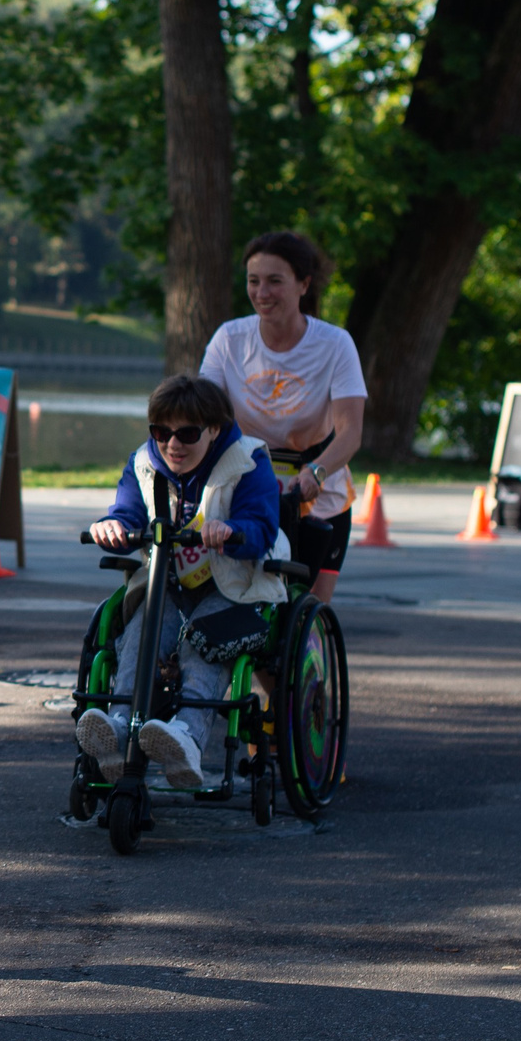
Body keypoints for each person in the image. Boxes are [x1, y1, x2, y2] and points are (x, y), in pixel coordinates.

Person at [78, 376, 287, 791]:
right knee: (140, 634)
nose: (172, 443)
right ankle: (118, 729)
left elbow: (262, 525)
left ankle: (187, 738)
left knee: (201, 643)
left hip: (237, 588)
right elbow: (127, 509)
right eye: (161, 432)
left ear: (213, 430)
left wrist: (232, 530)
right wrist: (113, 525)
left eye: (186, 433)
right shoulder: (144, 463)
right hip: (167, 586)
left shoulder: (247, 461)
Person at [197, 231, 366, 602]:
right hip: (248, 486)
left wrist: (316, 472)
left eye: (275, 281)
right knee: (238, 602)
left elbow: (351, 432)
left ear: (304, 284)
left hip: (317, 492)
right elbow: (202, 409)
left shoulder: (335, 344)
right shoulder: (230, 339)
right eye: (253, 281)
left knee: (306, 610)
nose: (262, 292)